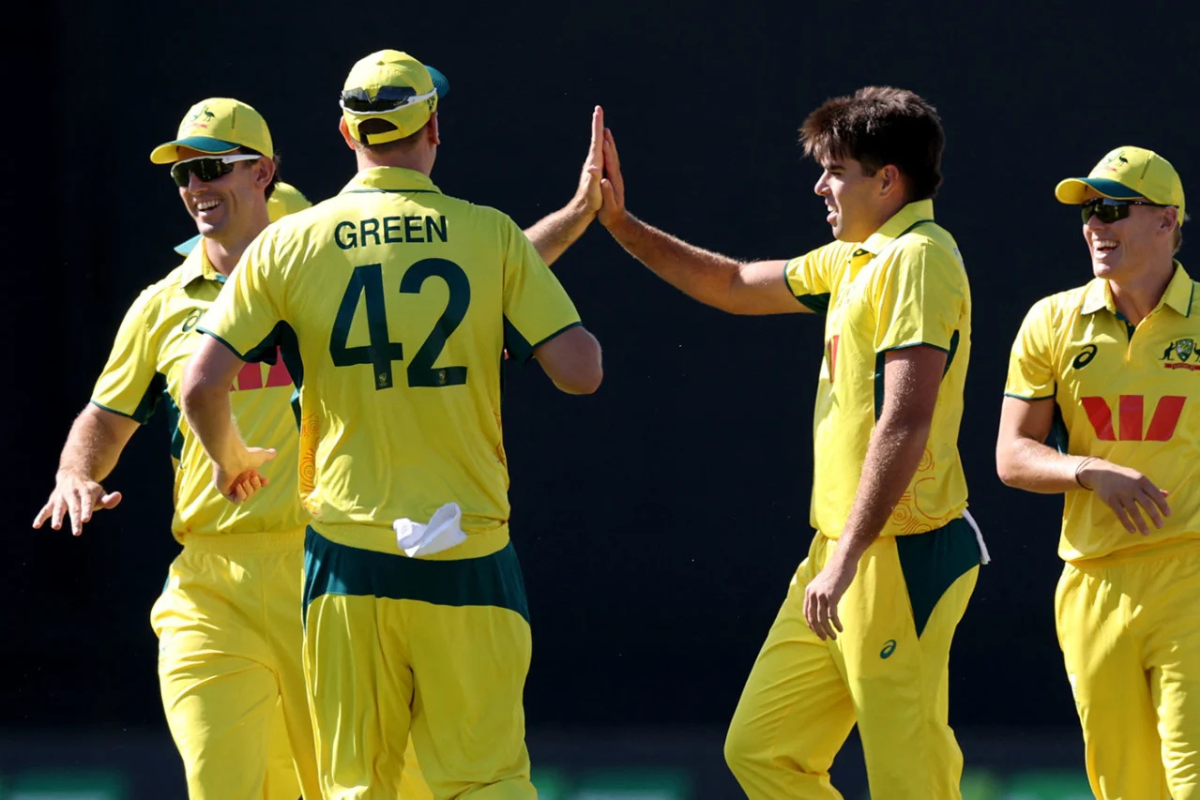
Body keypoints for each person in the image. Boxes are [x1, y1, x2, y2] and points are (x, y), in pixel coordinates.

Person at [35, 86, 603, 799]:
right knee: (225, 783)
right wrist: (74, 472)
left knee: (353, 786)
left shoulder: (307, 255)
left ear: (264, 175)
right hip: (213, 581)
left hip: (322, 559)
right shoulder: (162, 304)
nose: (196, 187)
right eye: (184, 174)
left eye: (212, 169)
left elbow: (461, 279)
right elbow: (105, 416)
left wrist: (574, 221)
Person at [595, 86, 985, 798]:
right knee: (764, 751)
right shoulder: (858, 258)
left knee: (911, 781)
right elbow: (736, 282)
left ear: (887, 179)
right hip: (841, 551)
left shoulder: (918, 258)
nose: (820, 185)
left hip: (898, 552)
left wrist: (848, 558)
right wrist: (621, 224)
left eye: (836, 169)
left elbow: (907, 419)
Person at [996, 146, 1198, 800]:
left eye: (1112, 209)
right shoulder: (1050, 321)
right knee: (1126, 791)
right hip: (1093, 580)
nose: (1095, 227)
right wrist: (1087, 470)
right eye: (1087, 213)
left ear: (1167, 221)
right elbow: (1012, 456)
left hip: (1192, 573)